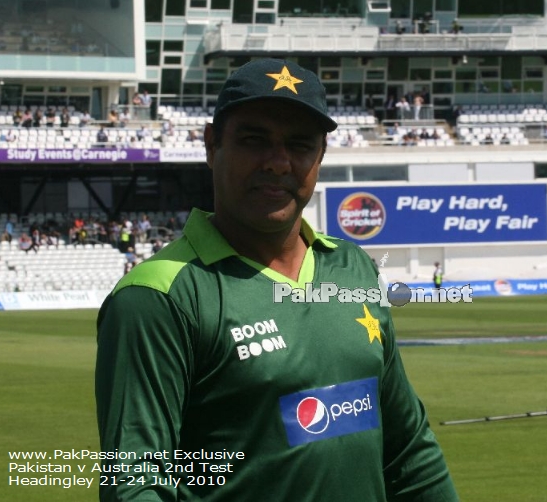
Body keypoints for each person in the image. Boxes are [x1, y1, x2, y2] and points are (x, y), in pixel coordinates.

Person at [96, 59, 458, 502]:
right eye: (254, 140)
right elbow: (135, 484)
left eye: (300, 144)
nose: (278, 162)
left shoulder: (353, 266)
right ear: (212, 145)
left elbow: (408, 451)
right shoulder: (157, 296)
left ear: (320, 156)